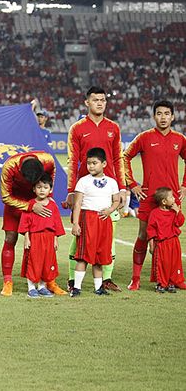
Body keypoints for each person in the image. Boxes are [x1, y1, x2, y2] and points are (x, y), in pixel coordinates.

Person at [65, 86, 127, 292]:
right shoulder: (77, 128)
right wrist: (71, 190)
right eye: (95, 100)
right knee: (80, 237)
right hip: (86, 192)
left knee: (108, 238)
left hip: (109, 191)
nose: (100, 103)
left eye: (102, 100)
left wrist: (122, 188)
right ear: (87, 103)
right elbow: (73, 161)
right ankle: (73, 280)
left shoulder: (114, 128)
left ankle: (105, 280)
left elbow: (118, 159)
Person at [123, 100, 186, 290]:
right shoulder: (144, 137)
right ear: (154, 116)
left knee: (171, 238)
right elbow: (124, 157)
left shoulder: (180, 139)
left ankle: (172, 278)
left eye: (167, 113)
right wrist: (132, 184)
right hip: (148, 198)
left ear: (173, 116)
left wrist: (184, 185)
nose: (163, 117)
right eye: (159, 113)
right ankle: (135, 279)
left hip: (172, 198)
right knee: (143, 235)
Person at [0, 151, 65, 296]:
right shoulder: (9, 167)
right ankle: (7, 282)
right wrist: (30, 206)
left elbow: (50, 180)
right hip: (16, 203)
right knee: (10, 238)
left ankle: (49, 282)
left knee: (45, 242)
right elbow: (5, 196)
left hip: (40, 201)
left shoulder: (48, 160)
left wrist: (47, 202)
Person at [70, 148, 121, 297]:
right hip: (88, 220)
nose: (91, 166)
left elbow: (117, 200)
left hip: (104, 221)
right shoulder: (83, 181)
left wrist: (110, 210)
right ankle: (77, 288)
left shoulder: (111, 182)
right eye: (88, 163)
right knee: (83, 255)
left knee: (99, 256)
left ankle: (99, 288)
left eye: (94, 163)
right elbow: (78, 203)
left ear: (104, 163)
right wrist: (75, 223)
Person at [18, 174, 65, 298]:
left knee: (46, 262)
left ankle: (42, 286)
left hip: (49, 238)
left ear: (51, 189)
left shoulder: (53, 205)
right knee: (33, 262)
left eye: (45, 187)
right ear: (34, 189)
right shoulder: (31, 205)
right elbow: (25, 223)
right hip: (35, 238)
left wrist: (55, 239)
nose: (42, 190)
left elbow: (56, 223)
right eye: (39, 187)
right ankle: (31, 288)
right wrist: (27, 238)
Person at [146, 187, 185, 293]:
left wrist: (178, 212)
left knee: (174, 263)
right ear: (164, 201)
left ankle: (171, 282)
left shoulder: (173, 212)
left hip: (174, 242)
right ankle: (161, 283)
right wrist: (151, 244)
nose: (174, 199)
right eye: (171, 197)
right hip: (161, 244)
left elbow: (180, 222)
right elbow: (150, 230)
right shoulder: (155, 213)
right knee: (162, 264)